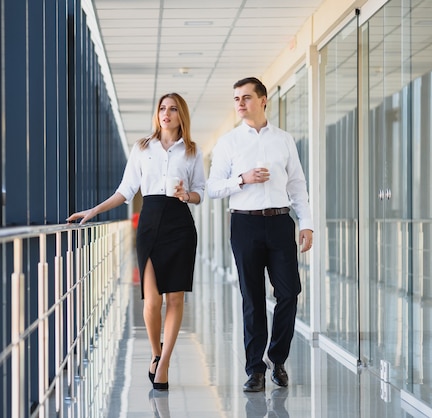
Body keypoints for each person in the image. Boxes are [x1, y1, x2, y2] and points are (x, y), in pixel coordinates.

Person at [67, 93, 206, 391]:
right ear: (157, 114)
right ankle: (156, 353)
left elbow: (200, 193)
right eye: (162, 108)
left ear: (181, 115)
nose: (166, 114)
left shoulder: (192, 151)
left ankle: (164, 363)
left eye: (172, 109)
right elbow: (125, 190)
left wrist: (186, 195)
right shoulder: (142, 147)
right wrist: (94, 210)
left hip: (180, 225)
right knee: (152, 301)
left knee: (176, 298)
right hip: (150, 224)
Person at [206, 77, 313, 392]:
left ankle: (277, 359)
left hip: (281, 223)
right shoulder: (228, 142)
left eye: (246, 97)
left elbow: (297, 185)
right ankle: (255, 370)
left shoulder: (283, 140)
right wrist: (242, 179)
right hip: (245, 225)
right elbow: (213, 188)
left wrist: (305, 222)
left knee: (289, 292)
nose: (240, 103)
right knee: (252, 299)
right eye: (237, 98)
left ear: (264, 100)